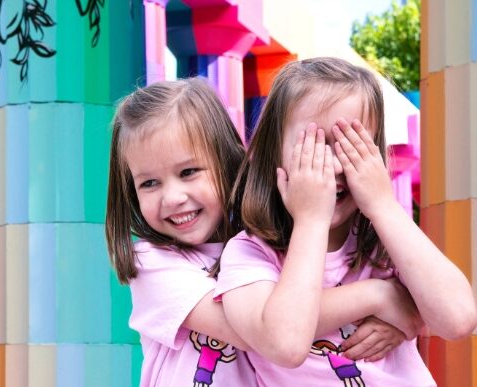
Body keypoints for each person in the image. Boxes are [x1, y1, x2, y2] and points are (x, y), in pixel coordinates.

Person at [105, 77, 418, 387]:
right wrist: (379, 297)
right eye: (149, 183)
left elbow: (293, 318)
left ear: (226, 161)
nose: (172, 197)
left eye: (188, 172)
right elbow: (266, 333)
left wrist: (410, 320)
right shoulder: (152, 262)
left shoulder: (265, 245)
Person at [216, 57, 477, 386]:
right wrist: (311, 220)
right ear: (271, 154)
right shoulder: (248, 254)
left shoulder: (386, 241)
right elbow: (285, 342)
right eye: (313, 147)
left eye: (351, 146)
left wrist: (383, 205)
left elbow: (459, 319)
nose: (335, 166)